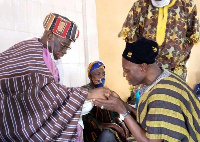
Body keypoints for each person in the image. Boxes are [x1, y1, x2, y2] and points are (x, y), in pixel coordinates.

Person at [0, 13, 111, 141]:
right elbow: (46, 91)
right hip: (16, 120)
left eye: (67, 48)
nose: (64, 51)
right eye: (63, 45)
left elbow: (50, 91)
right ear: (50, 36)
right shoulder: (30, 51)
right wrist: (87, 94)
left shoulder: (49, 57)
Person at [92, 37, 200, 142]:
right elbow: (151, 118)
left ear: (143, 68)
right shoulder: (165, 77)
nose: (124, 74)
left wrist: (123, 112)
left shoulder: (161, 96)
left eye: (127, 70)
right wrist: (121, 103)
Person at [118, 0, 200, 80]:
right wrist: (143, 56)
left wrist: (179, 56)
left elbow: (193, 35)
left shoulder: (187, 5)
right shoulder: (139, 5)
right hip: (147, 71)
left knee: (172, 93)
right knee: (146, 93)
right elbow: (129, 34)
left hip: (175, 72)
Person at [82, 61, 128, 142]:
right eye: (98, 74)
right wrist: (113, 126)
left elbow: (114, 113)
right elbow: (86, 118)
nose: (102, 77)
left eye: (103, 74)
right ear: (90, 76)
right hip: (94, 133)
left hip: (111, 128)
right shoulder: (85, 92)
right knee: (107, 134)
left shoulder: (107, 91)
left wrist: (121, 125)